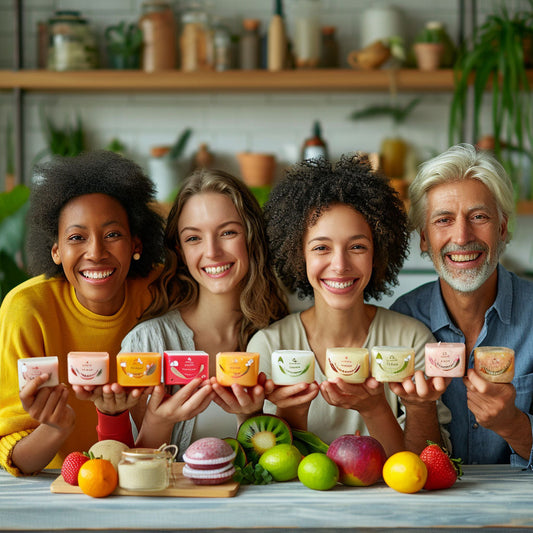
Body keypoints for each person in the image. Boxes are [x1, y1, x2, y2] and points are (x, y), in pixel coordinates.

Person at [247, 155, 448, 457]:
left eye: (357, 247)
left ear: (378, 253)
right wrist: (294, 414)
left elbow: (427, 465)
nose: (340, 265)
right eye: (321, 248)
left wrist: (377, 409)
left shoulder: (410, 341)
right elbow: (265, 468)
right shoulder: (269, 346)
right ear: (298, 255)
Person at [96, 169, 288, 455]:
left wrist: (250, 417)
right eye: (193, 238)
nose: (212, 251)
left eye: (228, 232)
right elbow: (131, 473)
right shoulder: (147, 345)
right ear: (180, 251)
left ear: (251, 237)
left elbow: (281, 465)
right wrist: (159, 420)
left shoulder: (283, 340)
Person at [0, 151, 165, 476]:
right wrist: (55, 427)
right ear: (56, 251)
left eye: (113, 235)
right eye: (77, 238)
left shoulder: (161, 289)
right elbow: (18, 461)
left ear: (136, 244)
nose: (95, 253)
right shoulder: (28, 308)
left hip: (148, 477)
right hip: (57, 489)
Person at [391, 143, 533, 467]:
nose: (462, 235)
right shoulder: (402, 320)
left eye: (478, 216)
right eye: (443, 220)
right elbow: (402, 464)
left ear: (501, 228)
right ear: (424, 239)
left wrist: (514, 425)